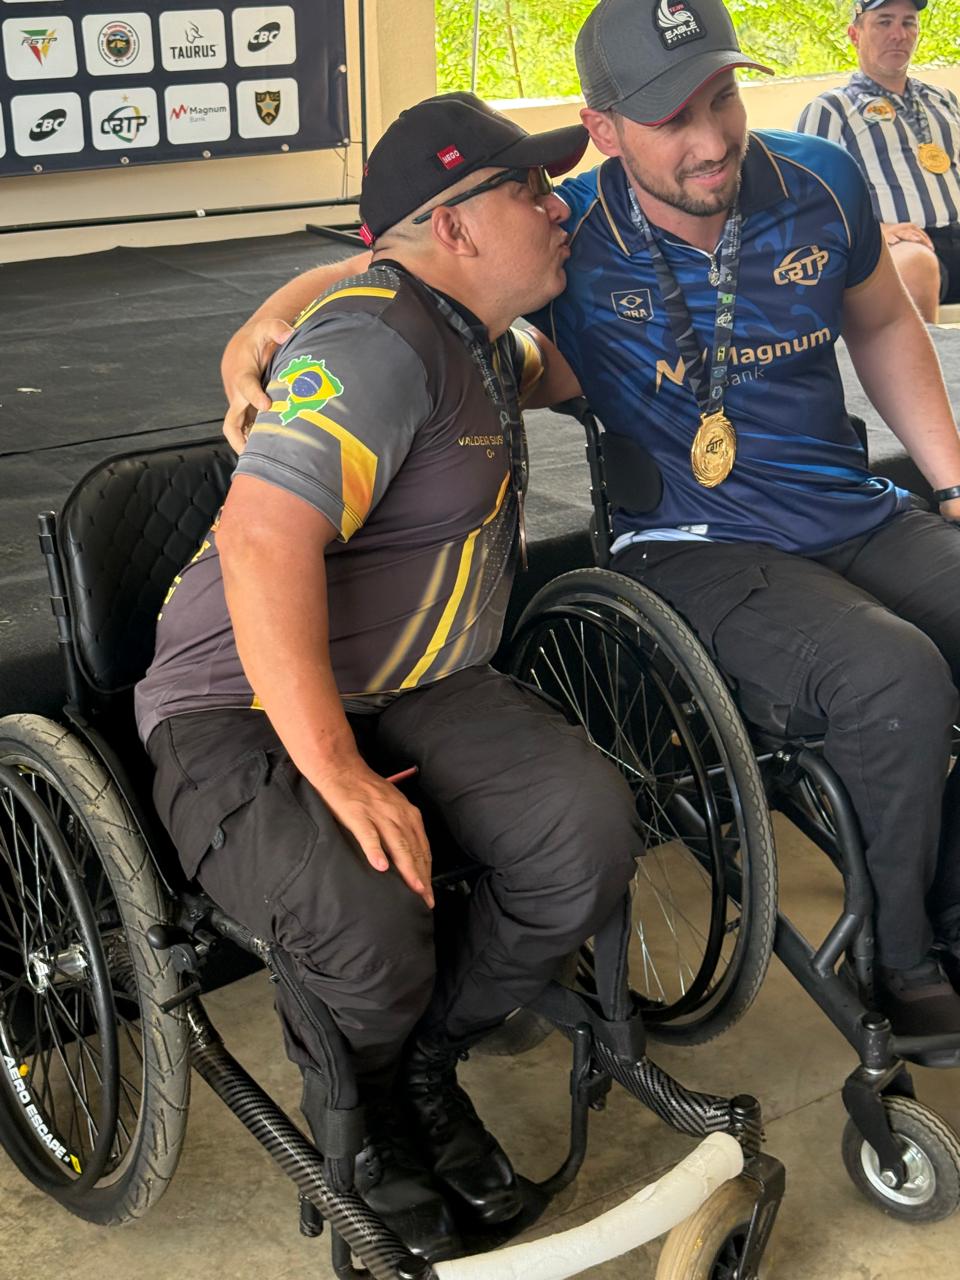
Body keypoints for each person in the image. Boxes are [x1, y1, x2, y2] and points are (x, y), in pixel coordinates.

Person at [136, 93, 642, 1262]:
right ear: (454, 224)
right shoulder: (375, 344)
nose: (556, 204)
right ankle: (362, 1116)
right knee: (367, 923)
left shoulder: (484, 336)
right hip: (238, 699)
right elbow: (261, 541)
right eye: (528, 188)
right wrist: (335, 769)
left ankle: (423, 1057)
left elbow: (557, 359)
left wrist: (271, 306)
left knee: (583, 838)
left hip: (415, 678)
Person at [797, 0, 960, 323]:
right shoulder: (832, 108)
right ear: (855, 34)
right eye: (884, 22)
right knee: (916, 265)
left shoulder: (944, 101)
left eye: (908, 23)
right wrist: (877, 231)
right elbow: (806, 200)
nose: (898, 34)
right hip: (898, 248)